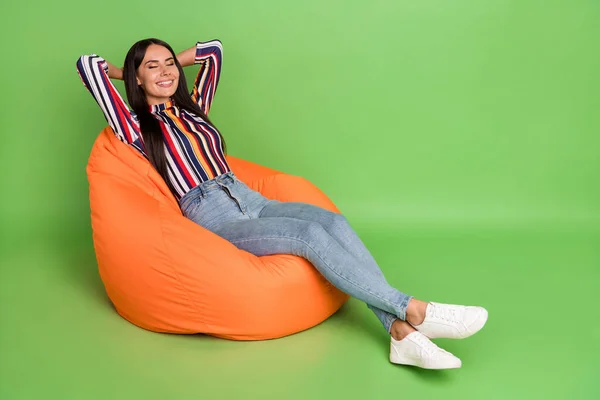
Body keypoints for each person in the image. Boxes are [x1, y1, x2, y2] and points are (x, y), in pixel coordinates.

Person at [76, 38, 488, 370]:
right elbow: (88, 65)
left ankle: (401, 333)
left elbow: (213, 51)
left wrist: (167, 64)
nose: (165, 71)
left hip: (246, 195)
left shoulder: (194, 108)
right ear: (136, 78)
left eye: (169, 63)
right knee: (307, 234)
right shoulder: (131, 122)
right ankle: (413, 309)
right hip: (210, 213)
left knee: (331, 221)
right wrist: (126, 70)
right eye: (152, 66)